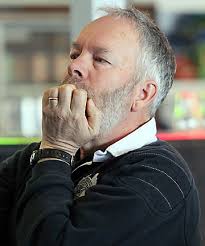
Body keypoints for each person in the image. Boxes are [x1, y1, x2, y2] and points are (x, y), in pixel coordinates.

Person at [0, 7, 201, 246]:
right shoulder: (38, 158)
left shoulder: (158, 177)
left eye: (100, 59)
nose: (74, 66)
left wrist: (57, 149)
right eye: (75, 54)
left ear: (143, 94)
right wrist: (54, 151)